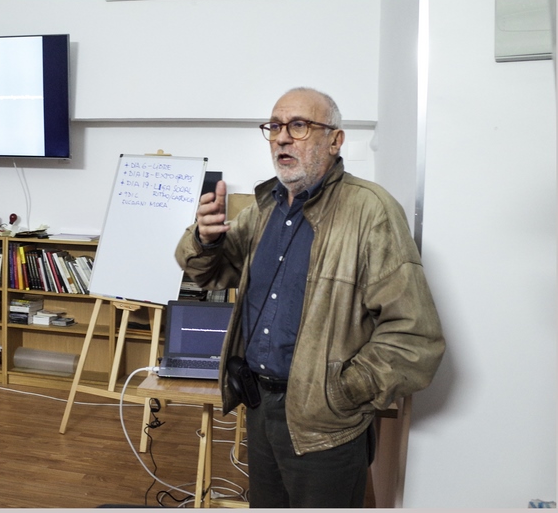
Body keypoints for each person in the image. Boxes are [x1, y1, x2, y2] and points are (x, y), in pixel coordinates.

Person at [175, 87, 445, 508]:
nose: (282, 137)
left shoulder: (371, 211)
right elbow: (209, 273)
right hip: (259, 407)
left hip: (326, 425)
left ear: (335, 141)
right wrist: (205, 240)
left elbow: (414, 336)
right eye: (275, 126)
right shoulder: (263, 209)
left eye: (298, 125)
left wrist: (340, 391)